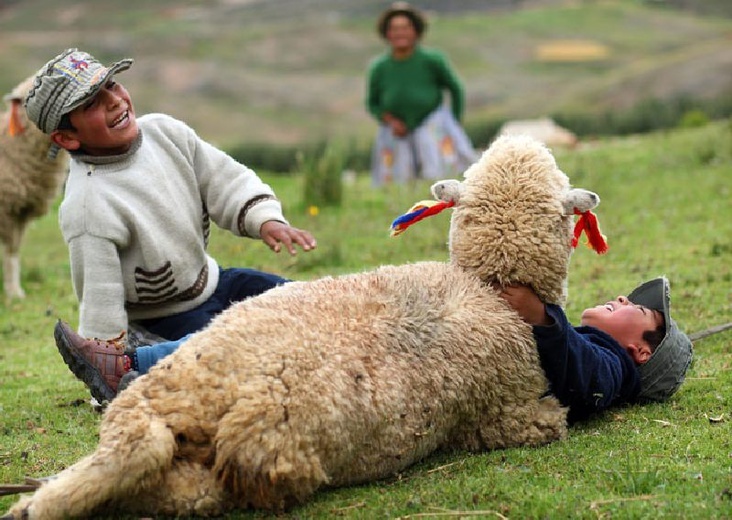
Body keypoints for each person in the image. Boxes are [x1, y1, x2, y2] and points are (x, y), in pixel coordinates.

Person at [24, 48, 317, 403]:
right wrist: (104, 358)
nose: (115, 102)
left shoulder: (166, 133)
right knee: (233, 344)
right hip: (165, 319)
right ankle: (131, 364)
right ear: (68, 138)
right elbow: (99, 294)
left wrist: (265, 219)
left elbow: (225, 179)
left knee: (306, 305)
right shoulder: (88, 206)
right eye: (91, 105)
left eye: (112, 86)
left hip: (216, 282)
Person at [497, 277, 693, 423]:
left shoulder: (613, 369)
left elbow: (589, 375)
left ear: (641, 352)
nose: (622, 298)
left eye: (639, 309)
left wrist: (541, 317)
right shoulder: (583, 342)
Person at [366, 2, 478, 186]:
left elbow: (455, 88)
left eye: (405, 27)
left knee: (438, 172)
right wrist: (391, 121)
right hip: (396, 129)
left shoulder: (432, 60)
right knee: (397, 178)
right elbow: (372, 103)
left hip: (431, 121)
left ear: (416, 31)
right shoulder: (379, 68)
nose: (400, 33)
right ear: (387, 34)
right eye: (394, 28)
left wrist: (454, 121)